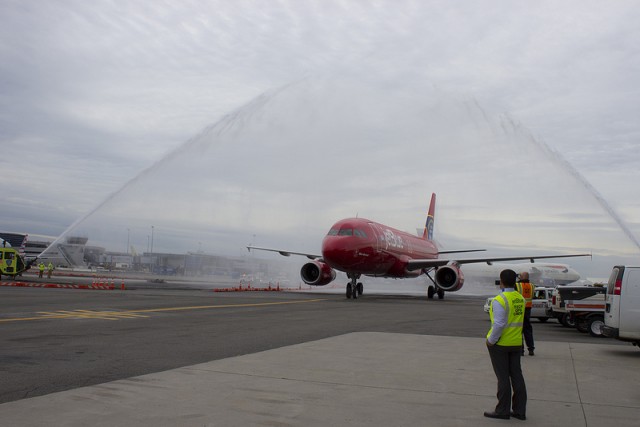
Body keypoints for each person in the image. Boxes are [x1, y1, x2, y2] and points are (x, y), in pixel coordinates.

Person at [484, 269, 527, 420]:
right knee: (517, 376)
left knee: (503, 378)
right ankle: (519, 411)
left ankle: (502, 410)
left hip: (501, 344)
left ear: (501, 281)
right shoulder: (520, 298)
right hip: (516, 343)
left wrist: (490, 341)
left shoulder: (499, 300)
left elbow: (499, 324)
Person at [516, 271, 535, 356]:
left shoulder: (517, 285)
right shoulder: (532, 286)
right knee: (528, 330)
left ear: (521, 277)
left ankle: (521, 350)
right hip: (528, 309)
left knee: (519, 330)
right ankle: (531, 349)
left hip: (519, 309)